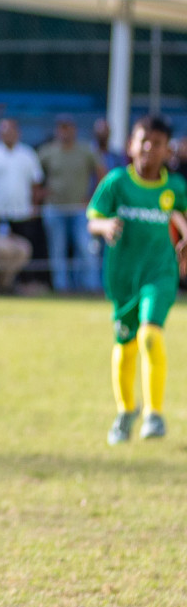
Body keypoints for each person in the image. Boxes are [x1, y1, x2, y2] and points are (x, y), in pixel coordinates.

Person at [87, 116, 187, 444]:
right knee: (125, 345)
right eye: (143, 140)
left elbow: (181, 216)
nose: (149, 148)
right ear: (131, 144)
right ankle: (125, 411)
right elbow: (93, 219)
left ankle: (154, 415)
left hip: (159, 273)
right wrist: (105, 227)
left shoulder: (175, 187)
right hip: (122, 277)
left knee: (149, 335)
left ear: (166, 150)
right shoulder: (117, 182)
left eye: (157, 143)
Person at [38, 115, 105, 293]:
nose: (64, 131)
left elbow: (102, 175)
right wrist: (42, 192)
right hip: (54, 208)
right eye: (61, 127)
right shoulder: (47, 152)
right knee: (57, 250)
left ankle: (92, 287)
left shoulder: (86, 151)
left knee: (86, 248)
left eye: (68, 127)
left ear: (74, 129)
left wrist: (93, 198)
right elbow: (35, 177)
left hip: (80, 209)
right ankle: (61, 288)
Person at [0, 118, 44, 287]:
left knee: (24, 250)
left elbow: (36, 183)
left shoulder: (28, 155)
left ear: (18, 133)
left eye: (11, 131)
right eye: (4, 132)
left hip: (22, 213)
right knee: (0, 251)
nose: (8, 135)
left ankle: (19, 283)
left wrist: (34, 207)